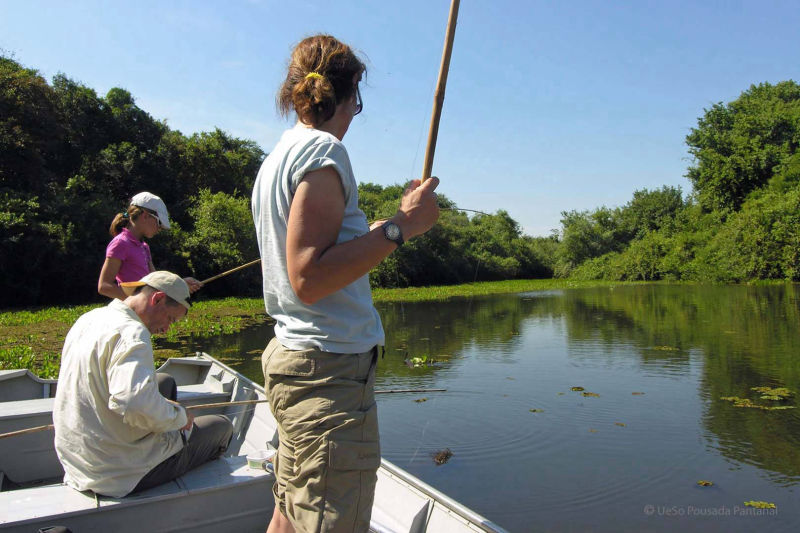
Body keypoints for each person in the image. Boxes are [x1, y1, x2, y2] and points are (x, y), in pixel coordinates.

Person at [251, 35, 440, 533]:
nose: (357, 112)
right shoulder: (322, 150)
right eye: (358, 98)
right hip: (328, 377)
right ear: (346, 94)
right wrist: (402, 229)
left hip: (299, 363)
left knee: (288, 514)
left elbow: (314, 256)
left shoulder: (280, 156)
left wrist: (378, 231)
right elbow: (309, 277)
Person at [53, 271, 233, 498]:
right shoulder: (133, 333)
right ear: (157, 299)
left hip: (78, 462)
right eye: (170, 319)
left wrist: (160, 406)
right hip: (115, 473)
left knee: (164, 382)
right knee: (220, 426)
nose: (167, 329)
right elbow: (132, 402)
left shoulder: (89, 318)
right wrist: (179, 417)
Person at [98, 191, 202, 300]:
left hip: (143, 312)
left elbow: (155, 283)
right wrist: (137, 301)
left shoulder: (144, 246)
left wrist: (180, 284)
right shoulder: (120, 243)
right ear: (145, 216)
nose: (160, 229)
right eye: (159, 223)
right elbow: (104, 286)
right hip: (128, 311)